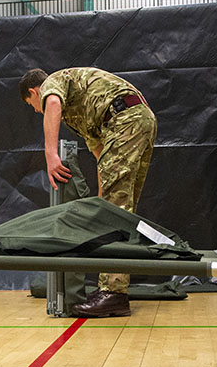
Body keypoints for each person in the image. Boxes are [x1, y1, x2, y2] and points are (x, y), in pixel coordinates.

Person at [20, 67, 158, 318]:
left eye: (32, 105)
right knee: (118, 210)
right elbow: (100, 152)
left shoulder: (52, 84)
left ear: (33, 91)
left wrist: (50, 155)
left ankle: (113, 293)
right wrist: (102, 198)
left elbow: (51, 102)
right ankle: (115, 291)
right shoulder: (80, 111)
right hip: (138, 121)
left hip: (124, 120)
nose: (36, 110)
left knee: (116, 213)